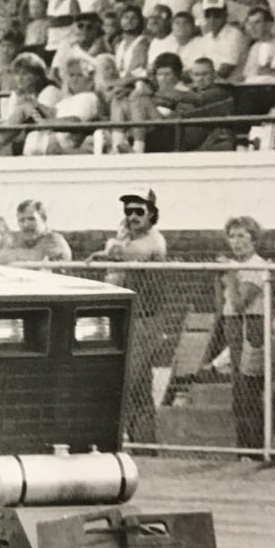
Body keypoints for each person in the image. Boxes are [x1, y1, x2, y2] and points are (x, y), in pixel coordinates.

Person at [88, 187, 168, 444]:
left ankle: (127, 440)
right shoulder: (126, 239)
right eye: (128, 211)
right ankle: (143, 444)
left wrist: (113, 245)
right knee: (139, 385)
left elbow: (122, 254)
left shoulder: (154, 239)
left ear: (151, 214)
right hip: (122, 318)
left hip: (145, 319)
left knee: (129, 380)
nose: (132, 217)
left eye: (139, 211)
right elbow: (111, 267)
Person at [203, 216, 275, 458]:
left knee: (251, 390)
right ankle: (244, 449)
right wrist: (221, 277)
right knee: (239, 393)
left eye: (242, 236)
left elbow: (239, 304)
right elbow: (221, 307)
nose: (236, 242)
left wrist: (232, 276)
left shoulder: (257, 266)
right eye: (232, 236)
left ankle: (259, 449)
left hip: (251, 328)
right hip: (233, 328)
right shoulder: (233, 267)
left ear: (253, 239)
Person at [0, 200, 72, 264]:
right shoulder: (22, 240)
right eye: (21, 220)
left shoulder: (54, 240)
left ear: (43, 218)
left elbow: (34, 259)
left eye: (31, 219)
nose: (26, 224)